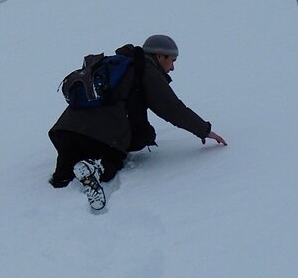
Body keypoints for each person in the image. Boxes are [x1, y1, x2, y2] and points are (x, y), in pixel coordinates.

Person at [48, 34, 226, 208]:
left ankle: (53, 196)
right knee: (124, 150)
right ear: (159, 56)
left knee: (61, 181)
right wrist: (204, 130)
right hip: (98, 137)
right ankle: (97, 168)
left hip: (65, 132)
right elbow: (172, 109)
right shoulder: (146, 71)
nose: (172, 68)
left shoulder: (114, 64)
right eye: (172, 61)